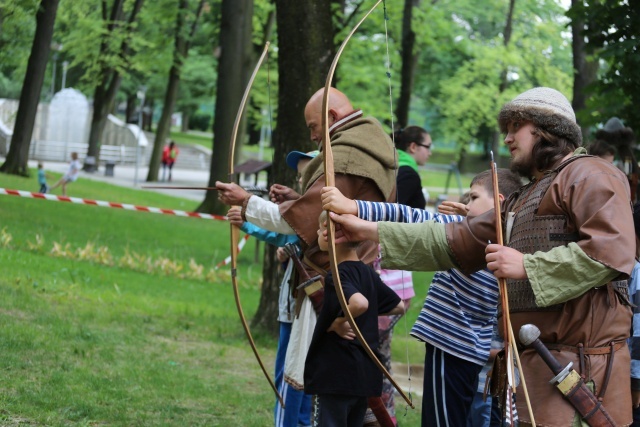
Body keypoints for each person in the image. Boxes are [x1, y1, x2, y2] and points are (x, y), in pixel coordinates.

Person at [324, 87, 636, 426]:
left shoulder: (590, 173)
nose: (507, 138)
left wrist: (527, 266)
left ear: (547, 129)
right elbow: (453, 238)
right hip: (535, 365)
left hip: (583, 371)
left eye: (516, 126)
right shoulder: (523, 198)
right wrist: (364, 226)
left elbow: (611, 252)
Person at [321, 168, 522, 426]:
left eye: (473, 198)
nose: (465, 204)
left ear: (499, 201)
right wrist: (472, 216)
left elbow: (410, 216)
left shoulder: (463, 234)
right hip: (473, 351)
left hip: (450, 344)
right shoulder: (508, 241)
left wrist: (353, 206)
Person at [228, 149, 318, 427]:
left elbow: (285, 232)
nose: (301, 180)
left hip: (301, 308)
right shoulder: (309, 207)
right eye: (300, 174)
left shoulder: (313, 210)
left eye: (307, 175)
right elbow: (287, 237)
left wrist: (246, 219)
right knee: (303, 378)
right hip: (306, 307)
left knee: (291, 380)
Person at [304, 211, 404, 427]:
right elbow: (398, 306)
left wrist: (340, 321)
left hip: (337, 374)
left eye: (321, 228)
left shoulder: (337, 274)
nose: (318, 233)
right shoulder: (367, 273)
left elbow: (360, 303)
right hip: (363, 376)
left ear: (331, 236)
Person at [362, 125, 431, 426]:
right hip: (389, 276)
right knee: (377, 355)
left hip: (387, 277)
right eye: (428, 145)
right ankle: (378, 415)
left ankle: (378, 415)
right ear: (414, 147)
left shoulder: (393, 169)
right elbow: (396, 219)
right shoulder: (407, 173)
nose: (430, 151)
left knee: (376, 354)